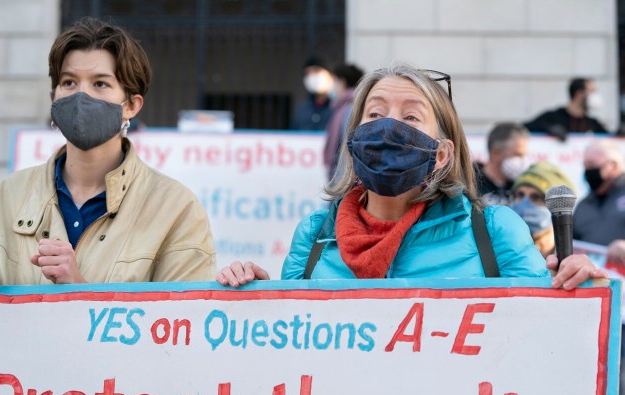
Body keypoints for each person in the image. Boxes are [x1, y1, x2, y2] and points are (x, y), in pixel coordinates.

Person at [0, 18, 216, 345]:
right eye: (69, 82)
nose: (81, 96)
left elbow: (183, 339)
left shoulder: (176, 209)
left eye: (100, 84)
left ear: (131, 105)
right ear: (54, 96)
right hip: (19, 393)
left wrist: (79, 289)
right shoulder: (7, 196)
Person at [217, 64, 603, 288]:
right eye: (375, 114)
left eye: (411, 117)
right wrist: (259, 302)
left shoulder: (496, 231)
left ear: (441, 154)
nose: (388, 128)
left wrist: (579, 291)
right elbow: (289, 350)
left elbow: (543, 340)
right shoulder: (314, 234)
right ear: (353, 140)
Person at [572, 139, 625, 395]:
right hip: (603, 304)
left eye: (596, 166)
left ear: (612, 166)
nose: (590, 172)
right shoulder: (584, 205)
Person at [509, 162, 576, 258]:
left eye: (536, 197)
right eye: (520, 194)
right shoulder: (498, 250)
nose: (524, 204)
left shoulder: (573, 258)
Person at [524, 77, 608, 141]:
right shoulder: (553, 117)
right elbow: (523, 129)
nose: (595, 96)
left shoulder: (593, 123)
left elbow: (610, 138)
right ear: (579, 94)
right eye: (592, 91)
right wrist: (548, 128)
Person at [323, 63, 365, 180]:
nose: (333, 87)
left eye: (334, 81)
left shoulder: (351, 108)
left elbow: (347, 148)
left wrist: (340, 182)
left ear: (342, 81)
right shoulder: (345, 106)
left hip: (345, 179)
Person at [476, 122, 531, 206]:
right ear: (496, 153)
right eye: (517, 155)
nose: (522, 161)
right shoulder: (471, 184)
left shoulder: (521, 187)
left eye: (523, 156)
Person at [291, 57, 334, 131]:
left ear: (330, 75)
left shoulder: (338, 108)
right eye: (308, 73)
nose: (312, 76)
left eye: (316, 71)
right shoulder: (301, 110)